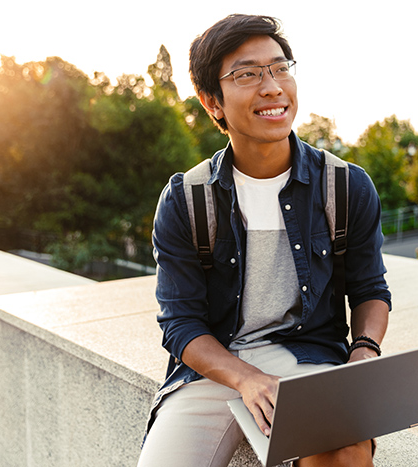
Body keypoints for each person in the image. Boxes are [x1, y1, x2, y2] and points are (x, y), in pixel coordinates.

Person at [138, 14, 391, 467]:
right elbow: (181, 325)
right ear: (212, 101)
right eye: (247, 74)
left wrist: (364, 352)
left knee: (346, 452)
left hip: (309, 359)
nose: (272, 86)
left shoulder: (346, 186)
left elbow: (370, 290)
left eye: (280, 67)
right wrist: (246, 378)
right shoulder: (186, 199)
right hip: (215, 370)